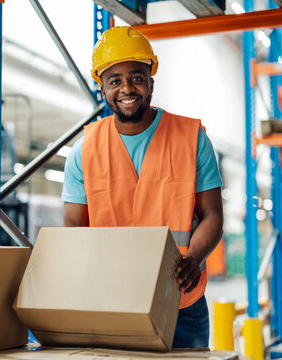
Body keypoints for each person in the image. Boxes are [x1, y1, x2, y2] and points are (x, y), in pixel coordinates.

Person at [61, 26, 223, 349]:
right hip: (113, 301)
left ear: (151, 80)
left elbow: (212, 216)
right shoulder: (84, 151)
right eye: (115, 81)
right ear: (103, 89)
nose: (126, 88)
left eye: (136, 77)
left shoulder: (192, 139)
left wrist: (193, 258)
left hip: (181, 302)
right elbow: (72, 228)